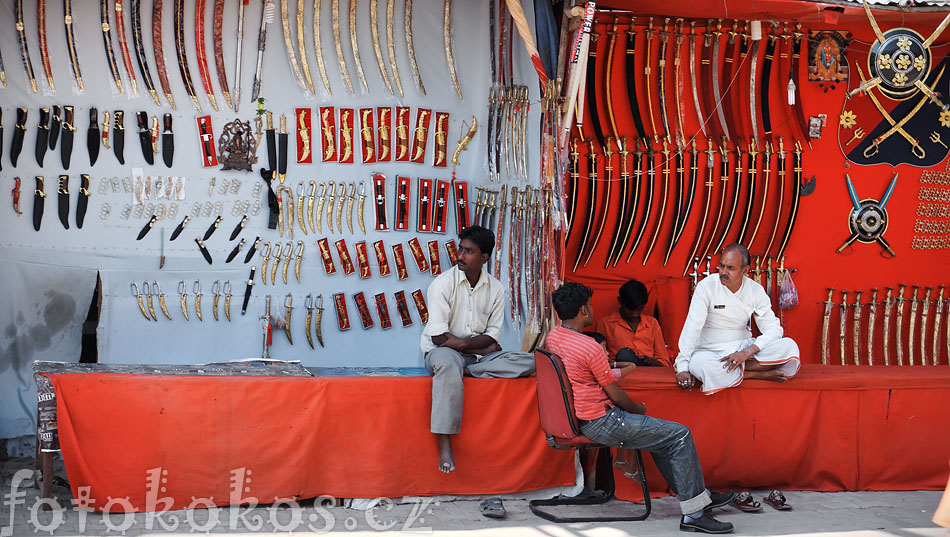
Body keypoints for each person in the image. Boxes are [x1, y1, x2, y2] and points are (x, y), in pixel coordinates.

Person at [546, 282, 737, 534]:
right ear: (583, 310)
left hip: (582, 418)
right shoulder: (590, 347)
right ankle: (695, 514)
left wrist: (616, 368)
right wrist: (637, 409)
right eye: (590, 305)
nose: (592, 308)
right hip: (603, 421)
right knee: (680, 434)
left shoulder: (554, 337)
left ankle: (698, 498)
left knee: (662, 438)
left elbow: (583, 374)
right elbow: (615, 393)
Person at [421, 225, 534, 474]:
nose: (460, 256)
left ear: (484, 258)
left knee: (528, 361)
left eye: (468, 251)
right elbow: (440, 338)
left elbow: (492, 336)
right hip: (442, 353)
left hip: (472, 358)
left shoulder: (496, 289)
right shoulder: (441, 284)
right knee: (450, 362)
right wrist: (470, 345)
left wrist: (471, 345)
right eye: (460, 249)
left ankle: (468, 370)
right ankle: (444, 442)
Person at [675, 244, 801, 395]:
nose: (723, 272)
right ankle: (757, 374)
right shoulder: (706, 287)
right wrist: (682, 367)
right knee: (702, 366)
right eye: (721, 266)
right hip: (709, 350)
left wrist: (747, 351)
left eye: (730, 268)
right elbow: (692, 327)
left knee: (789, 346)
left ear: (745, 270)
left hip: (743, 347)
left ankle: (738, 370)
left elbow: (773, 328)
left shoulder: (755, 290)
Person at [594, 279, 671, 367]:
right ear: (620, 301)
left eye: (639, 309)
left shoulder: (652, 323)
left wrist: (652, 362)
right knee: (624, 354)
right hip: (621, 374)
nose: (635, 314)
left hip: (649, 374)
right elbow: (599, 359)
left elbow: (664, 361)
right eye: (631, 309)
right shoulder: (605, 324)